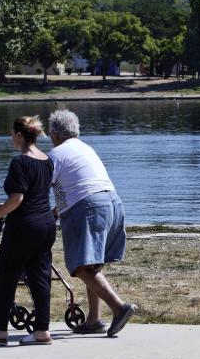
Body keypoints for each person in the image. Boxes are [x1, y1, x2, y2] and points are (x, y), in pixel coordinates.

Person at [47, 109, 137, 337]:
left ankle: (118, 307)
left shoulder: (56, 155)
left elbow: (40, 190)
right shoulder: (85, 148)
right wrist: (56, 212)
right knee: (92, 265)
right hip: (112, 202)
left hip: (88, 208)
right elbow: (80, 185)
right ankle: (94, 319)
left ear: (54, 133)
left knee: (80, 266)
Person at [0, 116, 56, 346]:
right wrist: (3, 208)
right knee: (40, 277)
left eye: (12, 134)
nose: (10, 138)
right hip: (46, 224)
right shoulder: (46, 160)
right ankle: (42, 331)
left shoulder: (19, 162)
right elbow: (35, 194)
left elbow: (18, 198)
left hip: (23, 226)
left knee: (7, 275)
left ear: (20, 135)